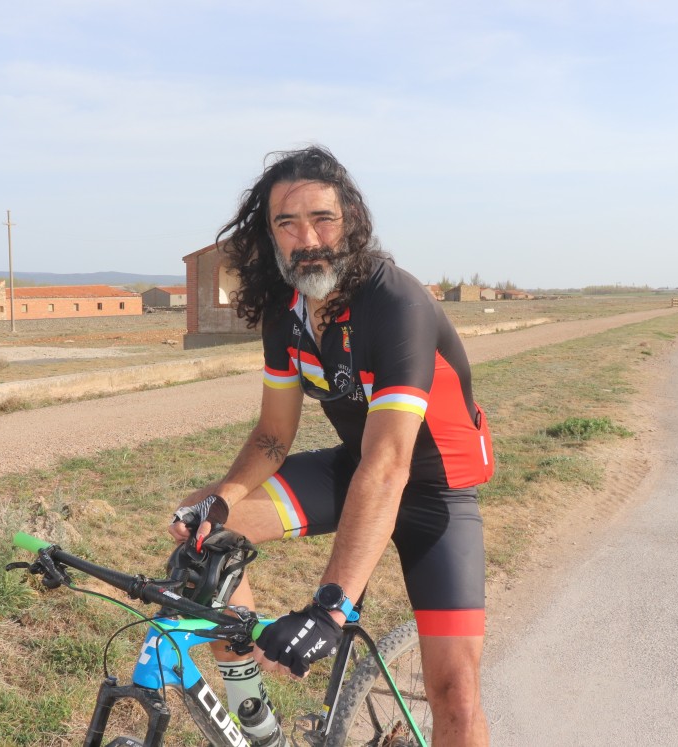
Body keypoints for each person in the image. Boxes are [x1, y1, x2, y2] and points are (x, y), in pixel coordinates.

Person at [169, 145, 490, 745]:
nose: (306, 237)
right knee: (206, 524)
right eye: (286, 224)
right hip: (358, 469)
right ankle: (258, 721)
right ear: (269, 238)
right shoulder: (285, 312)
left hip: (435, 491)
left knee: (457, 695)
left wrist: (329, 608)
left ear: (352, 224)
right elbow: (272, 435)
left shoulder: (398, 305)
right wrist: (223, 497)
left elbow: (392, 462)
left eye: (323, 219)